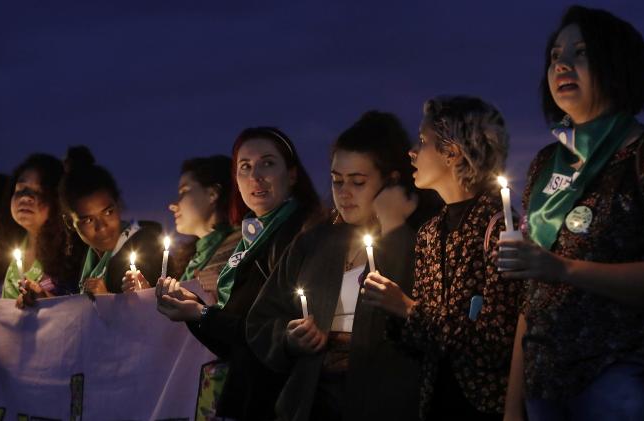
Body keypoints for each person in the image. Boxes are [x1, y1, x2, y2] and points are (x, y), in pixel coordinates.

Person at [500, 6, 644, 420]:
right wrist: (512, 403)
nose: (561, 64)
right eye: (555, 55)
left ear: (617, 65)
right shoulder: (546, 164)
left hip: (624, 377)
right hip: (545, 380)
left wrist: (563, 268)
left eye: (581, 53)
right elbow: (533, 293)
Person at [246, 111, 439, 421]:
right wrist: (289, 337)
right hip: (314, 404)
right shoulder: (315, 242)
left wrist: (394, 229)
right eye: (337, 181)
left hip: (388, 405)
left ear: (391, 180)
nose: (344, 193)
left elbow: (431, 323)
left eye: (358, 182)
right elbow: (261, 320)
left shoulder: (423, 236)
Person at [361, 98, 519, 421]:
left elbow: (496, 342)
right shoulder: (430, 233)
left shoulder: (501, 227)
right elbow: (424, 342)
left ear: (452, 152)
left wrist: (407, 308)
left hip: (485, 408)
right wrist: (392, 312)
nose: (412, 152)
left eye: (423, 141)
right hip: (436, 404)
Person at [156, 127, 320, 420]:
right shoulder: (249, 239)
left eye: (267, 163)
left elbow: (266, 336)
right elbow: (237, 342)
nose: (255, 176)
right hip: (248, 395)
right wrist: (195, 311)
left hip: (282, 401)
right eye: (245, 167)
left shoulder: (303, 235)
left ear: (292, 174)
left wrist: (202, 314)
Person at [59, 146, 162, 295]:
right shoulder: (84, 258)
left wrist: (106, 299)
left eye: (108, 212)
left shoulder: (146, 248)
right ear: (70, 223)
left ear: (118, 204)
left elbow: (157, 311)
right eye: (88, 220)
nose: (102, 227)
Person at [0, 155, 85, 306]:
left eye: (40, 191)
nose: (26, 198)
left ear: (58, 201)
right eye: (21, 189)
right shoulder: (5, 253)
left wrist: (45, 300)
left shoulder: (70, 254)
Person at [166, 155, 240, 299]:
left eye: (183, 192)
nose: (173, 205)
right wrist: (145, 294)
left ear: (212, 194)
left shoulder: (241, 246)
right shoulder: (197, 256)